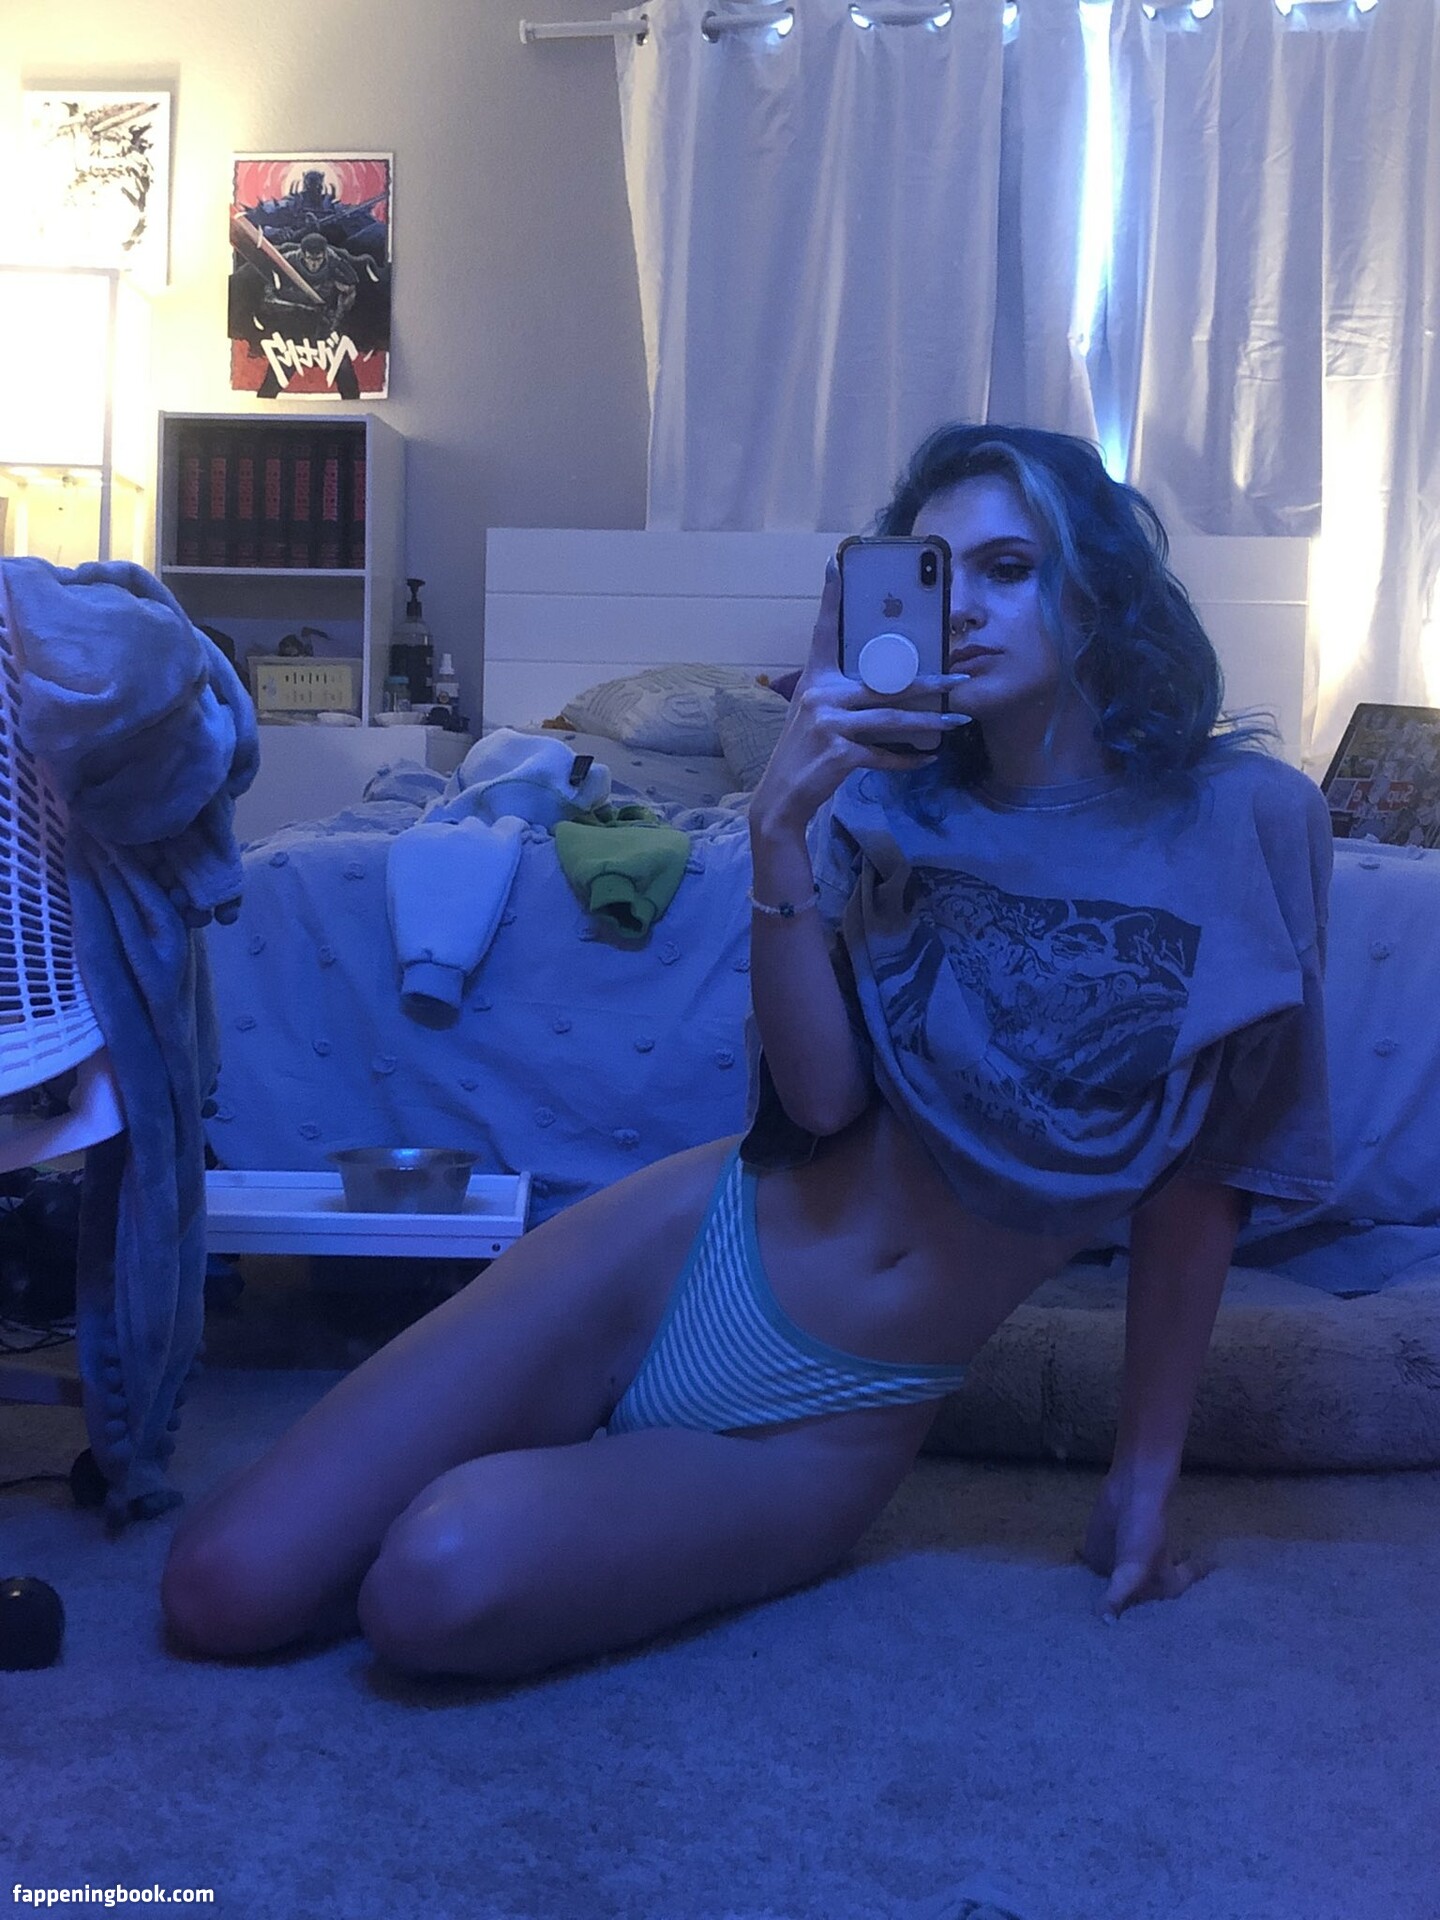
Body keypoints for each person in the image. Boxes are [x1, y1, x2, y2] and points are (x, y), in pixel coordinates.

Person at [161, 424, 1333, 1682]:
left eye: (1011, 567)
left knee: (432, 1581)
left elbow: (1208, 1175)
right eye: (934, 575)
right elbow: (819, 1103)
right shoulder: (884, 797)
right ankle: (545, 1459)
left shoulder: (1250, 820)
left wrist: (1141, 1480)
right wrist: (779, 824)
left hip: (835, 1416)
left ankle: (562, 1493)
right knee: (221, 1590)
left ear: (1098, 580)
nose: (966, 610)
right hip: (679, 1240)